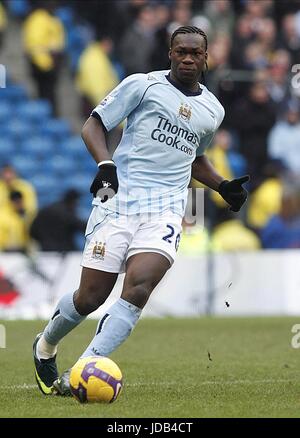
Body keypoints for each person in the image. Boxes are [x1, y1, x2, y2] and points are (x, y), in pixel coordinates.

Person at [32, 26, 249, 396]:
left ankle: (81, 371)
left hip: (165, 209)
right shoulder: (142, 85)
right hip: (118, 201)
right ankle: (45, 346)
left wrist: (221, 185)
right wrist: (105, 164)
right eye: (180, 51)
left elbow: (194, 158)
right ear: (169, 53)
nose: (187, 58)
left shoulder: (213, 110)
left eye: (195, 53)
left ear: (207, 57)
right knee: (91, 297)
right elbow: (94, 125)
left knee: (139, 287)